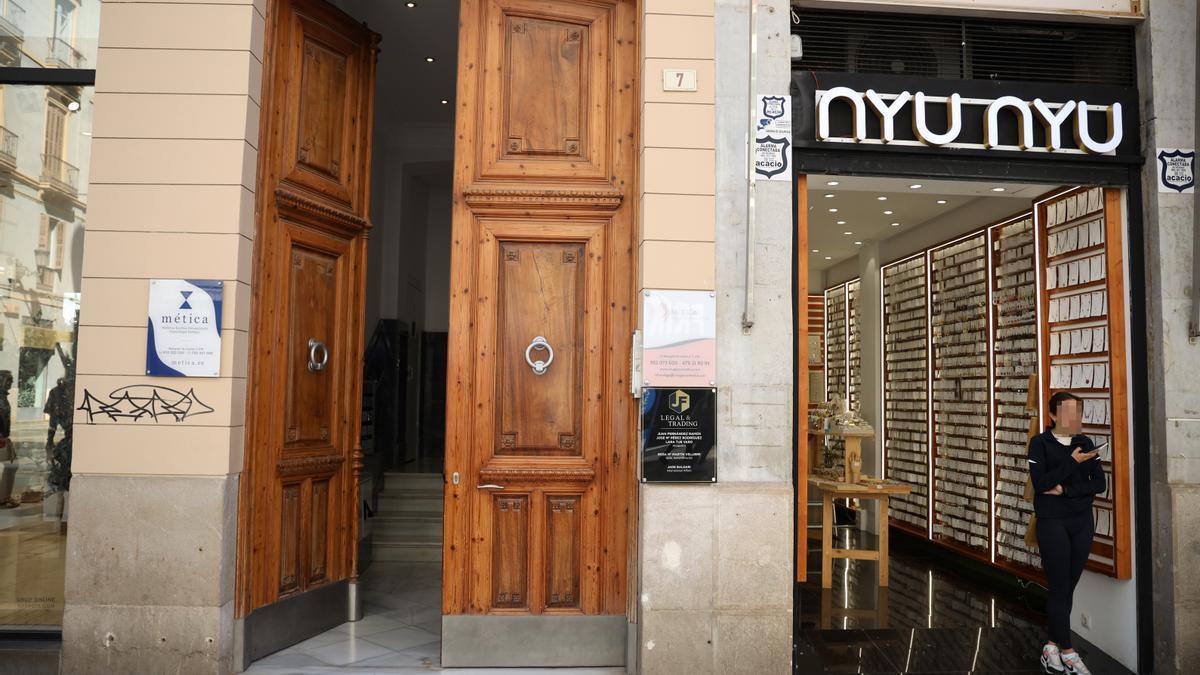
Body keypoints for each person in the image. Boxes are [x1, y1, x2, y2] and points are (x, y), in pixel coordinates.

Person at [1027, 391, 1105, 675]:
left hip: (1081, 521)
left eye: (1078, 412)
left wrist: (1066, 490)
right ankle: (1069, 652)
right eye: (1068, 412)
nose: (1075, 418)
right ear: (1052, 415)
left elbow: (1099, 485)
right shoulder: (1039, 444)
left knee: (1068, 586)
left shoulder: (1085, 443)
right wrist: (1072, 463)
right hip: (1052, 522)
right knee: (1060, 586)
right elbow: (1041, 482)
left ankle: (1050, 646)